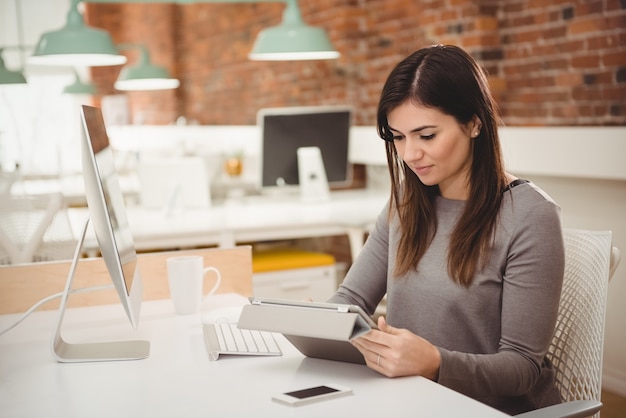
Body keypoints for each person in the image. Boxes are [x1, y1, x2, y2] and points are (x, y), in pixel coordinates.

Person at [327, 44, 565, 415]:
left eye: (426, 135)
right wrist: (317, 323)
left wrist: (436, 362)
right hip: (414, 401)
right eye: (398, 137)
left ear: (474, 123)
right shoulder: (406, 204)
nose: (409, 155)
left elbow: (521, 369)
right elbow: (351, 300)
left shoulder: (531, 215)